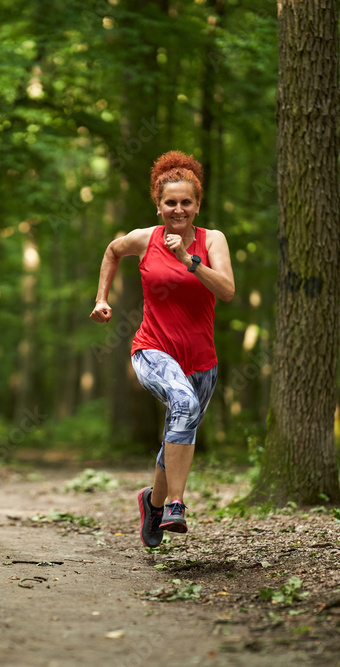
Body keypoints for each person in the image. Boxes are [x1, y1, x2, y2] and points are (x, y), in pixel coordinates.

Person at [89, 151, 234, 547]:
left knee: (180, 426)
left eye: (186, 202)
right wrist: (102, 298)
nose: (178, 209)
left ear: (197, 205)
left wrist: (189, 260)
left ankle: (151, 504)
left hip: (202, 361)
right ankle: (174, 504)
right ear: (158, 205)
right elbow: (112, 251)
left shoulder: (212, 241)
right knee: (184, 409)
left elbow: (227, 291)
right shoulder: (145, 238)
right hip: (152, 350)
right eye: (170, 202)